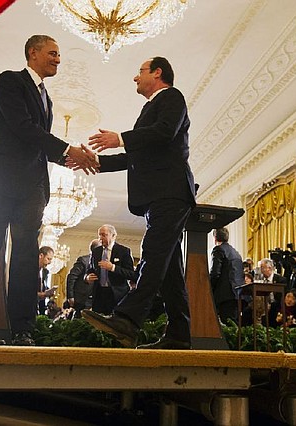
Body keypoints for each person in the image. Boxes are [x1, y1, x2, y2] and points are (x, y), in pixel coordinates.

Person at [0, 35, 98, 346]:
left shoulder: (48, 99)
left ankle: (23, 331)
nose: (58, 60)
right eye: (53, 53)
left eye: (59, 55)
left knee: (25, 259)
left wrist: (68, 158)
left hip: (31, 189)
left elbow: (39, 143)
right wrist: (67, 148)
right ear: (33, 53)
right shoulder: (10, 80)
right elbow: (21, 127)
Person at [75, 56, 197, 349]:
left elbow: (164, 131)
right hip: (160, 195)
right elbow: (137, 155)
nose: (135, 78)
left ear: (157, 73)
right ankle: (179, 335)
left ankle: (128, 320)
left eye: (139, 71)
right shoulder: (150, 107)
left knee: (153, 255)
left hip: (170, 191)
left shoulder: (172, 97)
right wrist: (99, 163)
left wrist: (120, 138)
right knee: (169, 271)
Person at [85, 225, 135, 315]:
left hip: (117, 295)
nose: (100, 238)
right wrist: (87, 277)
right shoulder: (96, 252)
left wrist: (113, 268)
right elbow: (90, 269)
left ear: (113, 236)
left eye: (104, 235)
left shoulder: (124, 251)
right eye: (99, 235)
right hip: (99, 294)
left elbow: (131, 274)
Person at [209, 227, 244, 324]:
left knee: (225, 325)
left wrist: (209, 289)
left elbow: (215, 273)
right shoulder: (236, 253)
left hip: (224, 294)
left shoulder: (218, 250)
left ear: (215, 238)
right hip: (237, 294)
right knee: (233, 324)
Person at [66, 239, 101, 317]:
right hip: (80, 300)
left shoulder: (103, 262)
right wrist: (70, 296)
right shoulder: (83, 260)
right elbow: (71, 277)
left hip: (94, 300)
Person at [37, 246, 55, 316]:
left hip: (40, 309)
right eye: (48, 259)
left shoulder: (45, 272)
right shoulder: (30, 271)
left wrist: (49, 292)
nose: (50, 262)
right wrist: (43, 294)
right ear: (41, 256)